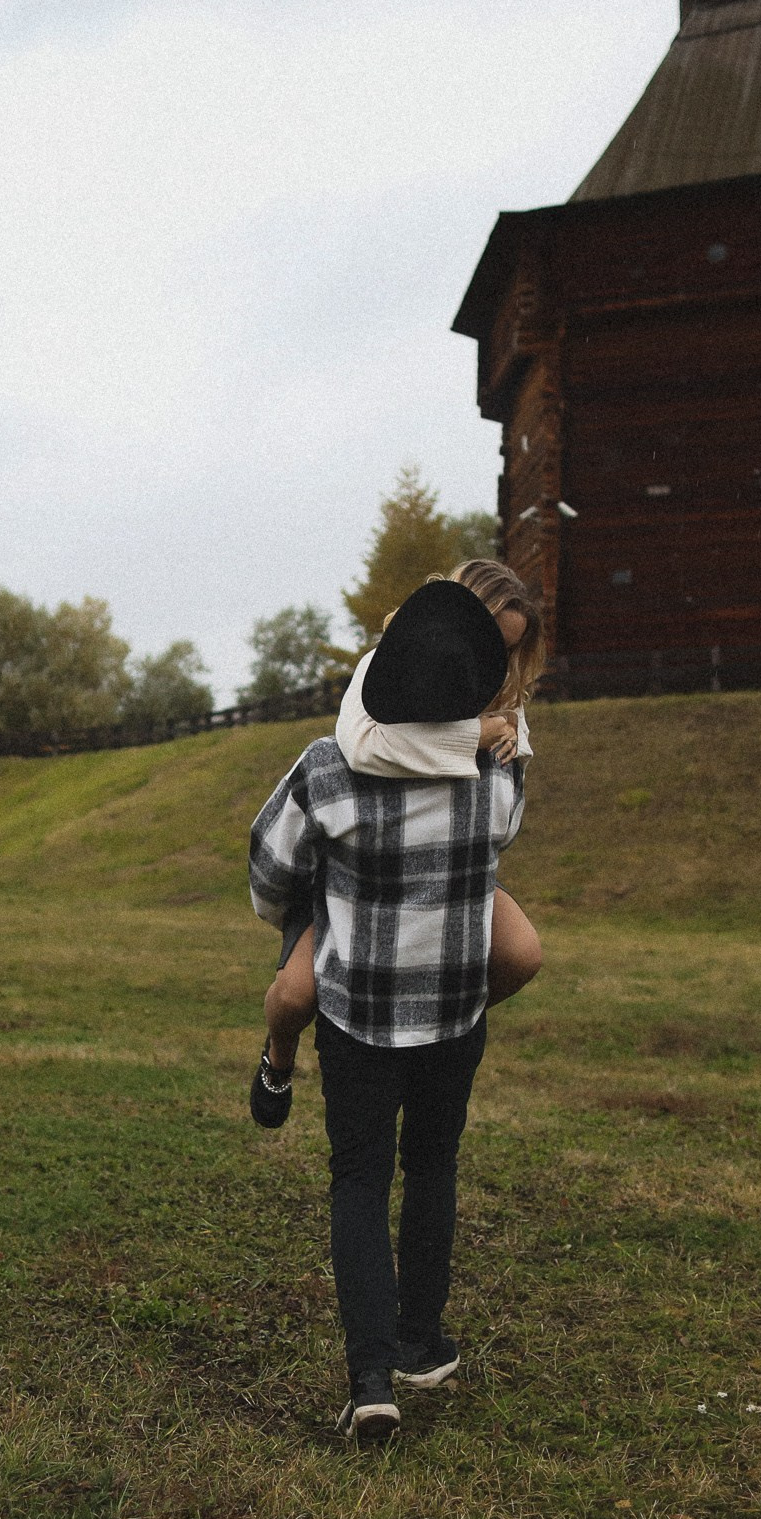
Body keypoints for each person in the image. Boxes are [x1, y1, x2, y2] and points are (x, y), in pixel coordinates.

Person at [246, 576, 530, 1444]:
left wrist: (317, 912)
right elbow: (503, 842)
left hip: (359, 1011)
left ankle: (371, 1380)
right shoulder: (501, 774)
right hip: (453, 1007)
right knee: (434, 1163)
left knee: (359, 1181)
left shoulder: (325, 766)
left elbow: (268, 869)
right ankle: (422, 1341)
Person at [250, 558, 546, 1131]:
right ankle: (278, 1056)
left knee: (521, 954)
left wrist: (509, 749)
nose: (497, 664)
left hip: (442, 869)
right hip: (360, 873)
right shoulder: (378, 671)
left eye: (511, 652)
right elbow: (360, 747)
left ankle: (441, 1019)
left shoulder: (501, 694)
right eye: (491, 642)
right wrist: (474, 736)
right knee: (293, 998)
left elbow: (506, 813)